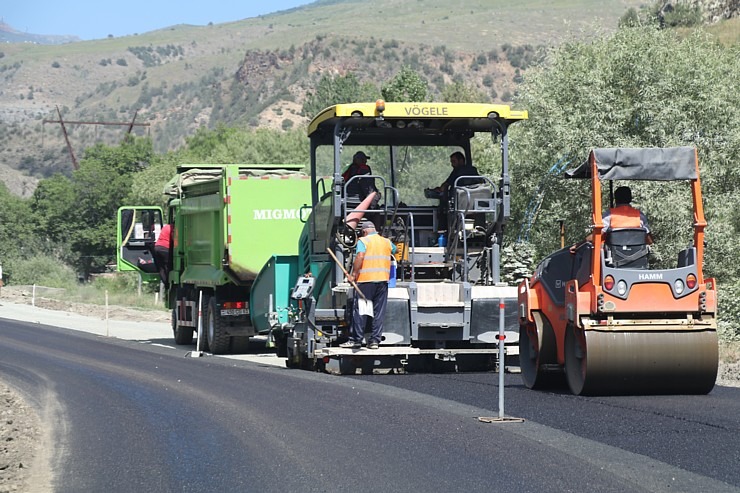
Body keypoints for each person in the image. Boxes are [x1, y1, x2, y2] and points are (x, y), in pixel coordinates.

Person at [341, 221, 397, 349]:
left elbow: (360, 256)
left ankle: (356, 340)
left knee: (361, 311)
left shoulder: (363, 241)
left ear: (365, 231)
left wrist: (353, 275)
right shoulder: (386, 242)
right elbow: (395, 249)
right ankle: (374, 341)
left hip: (365, 281)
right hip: (382, 281)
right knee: (378, 312)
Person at [342, 151, 381, 229]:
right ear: (360, 160)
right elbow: (369, 190)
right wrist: (376, 198)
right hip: (359, 205)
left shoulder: (349, 171)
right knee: (377, 210)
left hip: (346, 205)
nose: (365, 161)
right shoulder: (364, 170)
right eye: (364, 159)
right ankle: (377, 233)